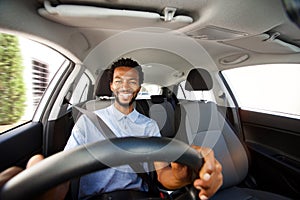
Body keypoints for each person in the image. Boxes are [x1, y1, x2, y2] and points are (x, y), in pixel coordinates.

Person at [0, 58, 222, 200]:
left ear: (139, 88)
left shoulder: (149, 125)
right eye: (119, 80)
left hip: (139, 197)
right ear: (112, 86)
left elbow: (163, 175)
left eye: (132, 81)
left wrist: (183, 177)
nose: (125, 86)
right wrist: (40, 186)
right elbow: (65, 176)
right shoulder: (88, 122)